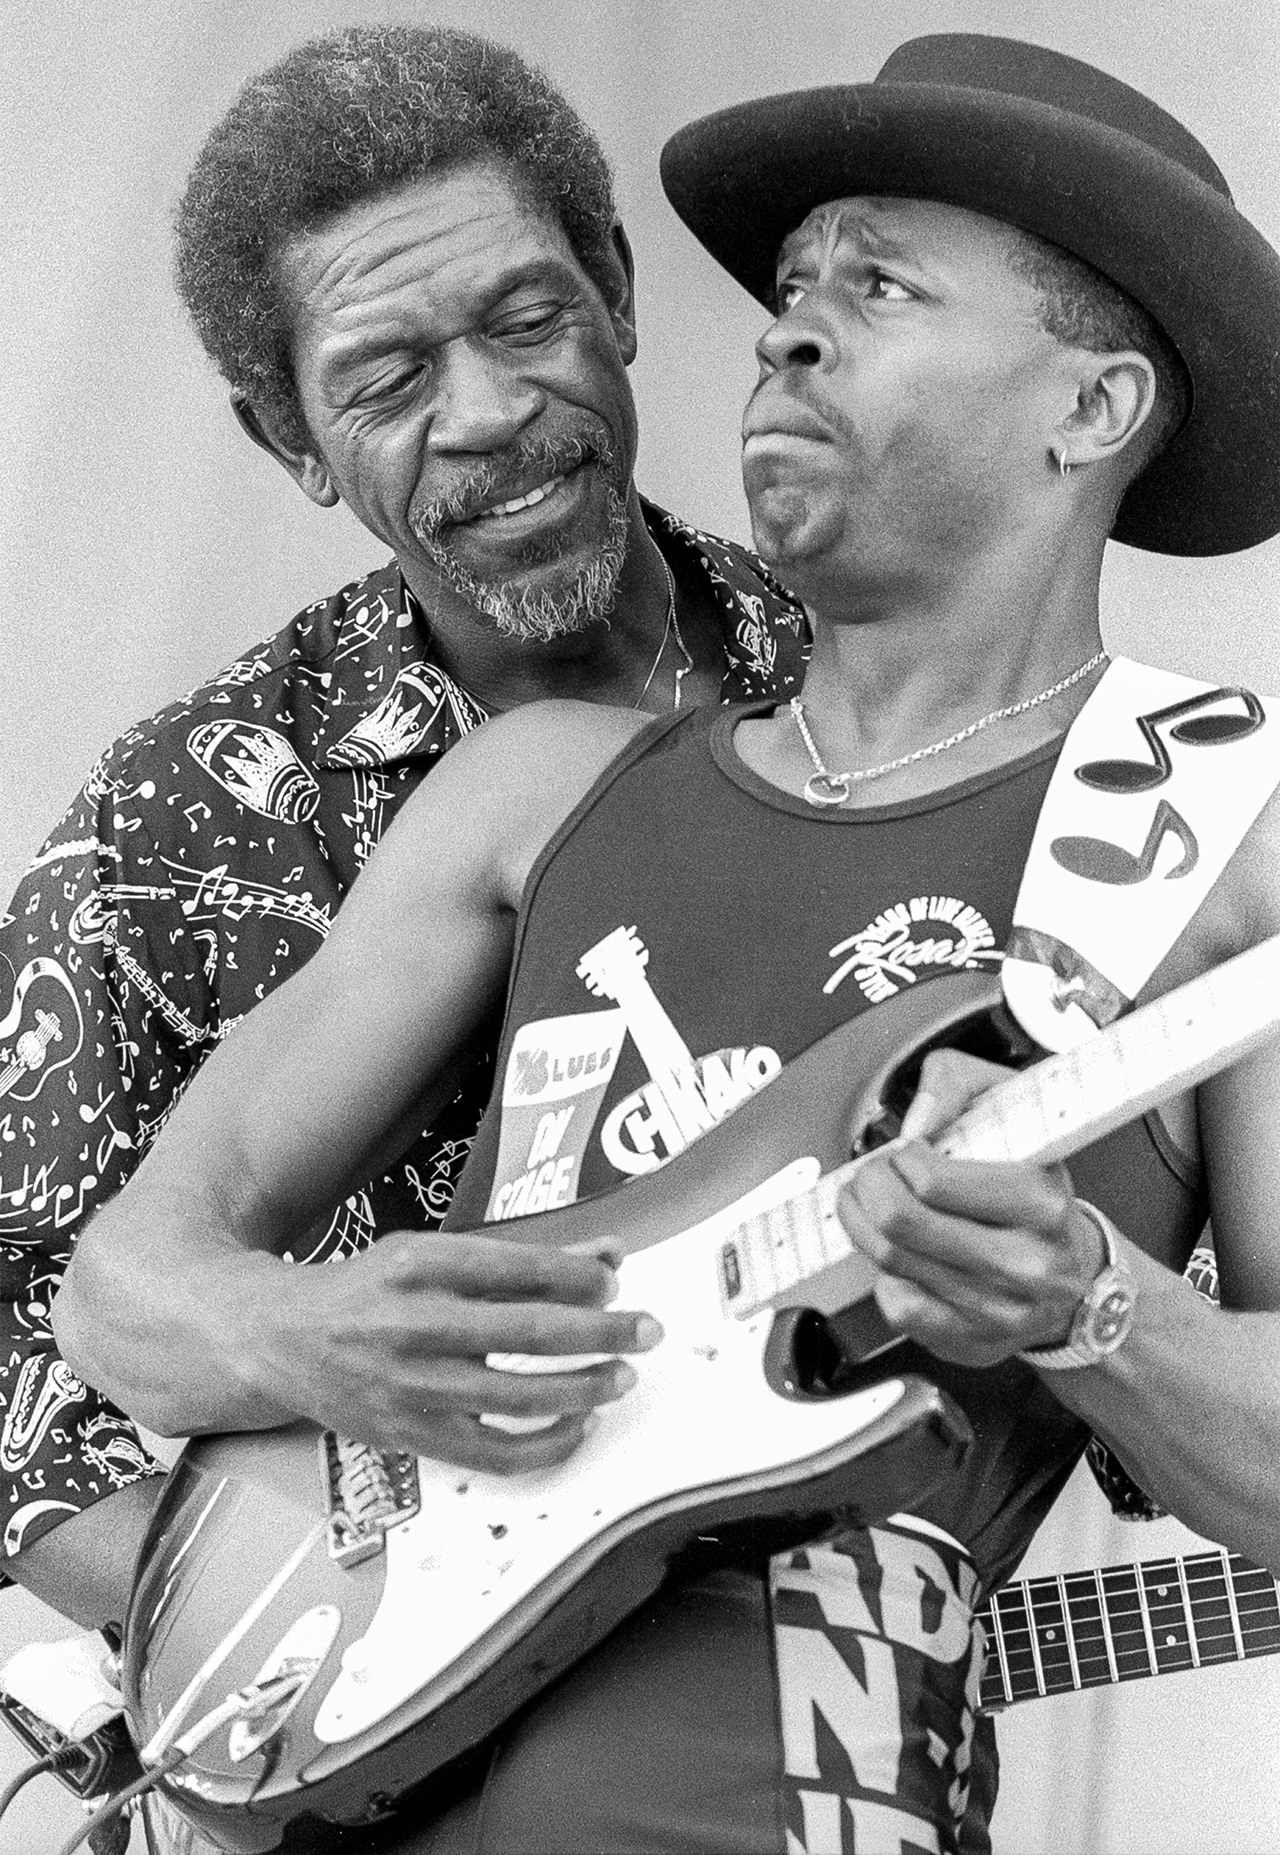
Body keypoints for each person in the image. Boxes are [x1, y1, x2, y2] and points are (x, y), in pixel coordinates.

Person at [53, 31, 1280, 1855]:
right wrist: (320, 1335)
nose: (784, 329)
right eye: (793, 287)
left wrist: (1094, 1304)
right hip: (345, 1739)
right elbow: (120, 1287)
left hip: (781, 1758)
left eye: (876, 285)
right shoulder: (531, 792)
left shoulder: (1224, 842)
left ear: (1091, 412)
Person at [0, 23, 805, 1626]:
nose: (494, 411)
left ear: (620, 295)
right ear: (290, 441)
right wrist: (359, 1670)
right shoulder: (173, 825)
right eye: (387, 379)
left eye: (531, 319)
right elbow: (16, 1362)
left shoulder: (879, 680)